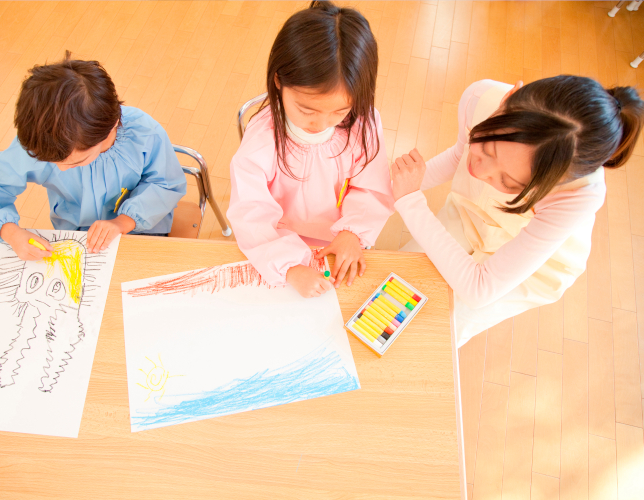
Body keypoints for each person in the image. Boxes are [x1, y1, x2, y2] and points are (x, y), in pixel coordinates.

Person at [389, 76, 644, 346]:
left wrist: (410, 201)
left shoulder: (579, 195)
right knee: (394, 286)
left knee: (439, 331)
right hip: (472, 213)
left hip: (535, 262)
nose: (480, 170)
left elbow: (479, 289)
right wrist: (395, 186)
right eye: (486, 148)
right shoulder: (481, 98)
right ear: (508, 99)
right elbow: (458, 155)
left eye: (509, 182)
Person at [227, 0, 394, 298]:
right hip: (274, 241)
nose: (321, 122)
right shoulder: (263, 138)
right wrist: (288, 265)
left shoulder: (362, 124)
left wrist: (351, 232)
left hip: (336, 235)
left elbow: (371, 188)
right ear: (279, 81)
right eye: (306, 110)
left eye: (339, 111)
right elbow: (251, 212)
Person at [0, 52, 187, 260]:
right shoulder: (44, 142)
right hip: (76, 233)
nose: (60, 169)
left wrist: (120, 223)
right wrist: (11, 233)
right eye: (51, 163)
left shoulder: (145, 134)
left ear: (111, 127)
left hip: (141, 228)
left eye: (77, 162)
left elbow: (165, 184)